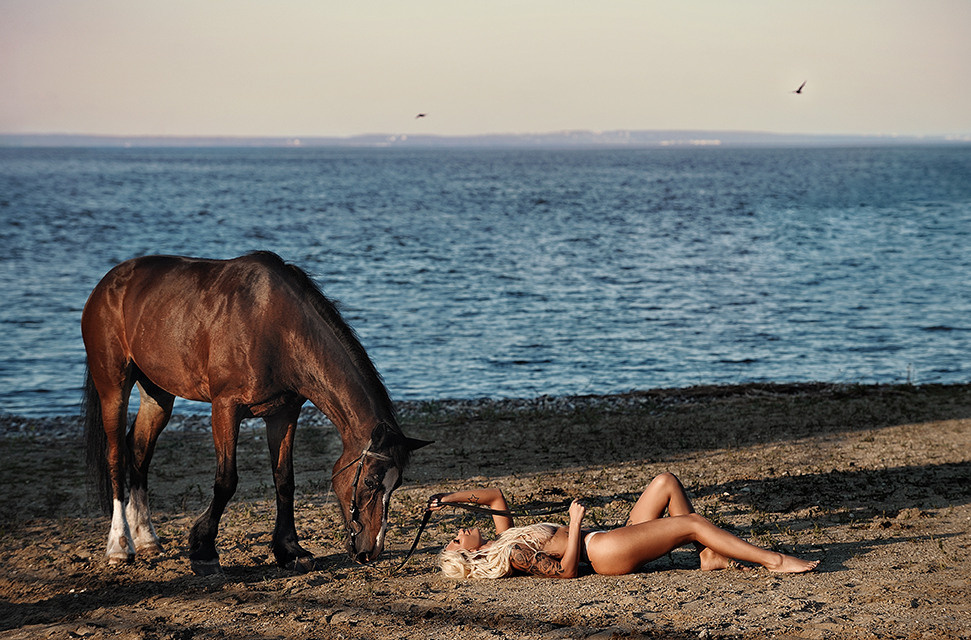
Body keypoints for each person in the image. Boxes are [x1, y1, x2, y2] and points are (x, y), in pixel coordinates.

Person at [431, 472, 818, 579]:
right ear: (470, 553)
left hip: (605, 536)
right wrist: (574, 520)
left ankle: (711, 556)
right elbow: (565, 572)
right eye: (455, 539)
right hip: (603, 552)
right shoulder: (514, 553)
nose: (458, 531)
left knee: (665, 482)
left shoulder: (504, 538)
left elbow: (495, 495)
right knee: (694, 522)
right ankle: (775, 561)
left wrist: (446, 499)